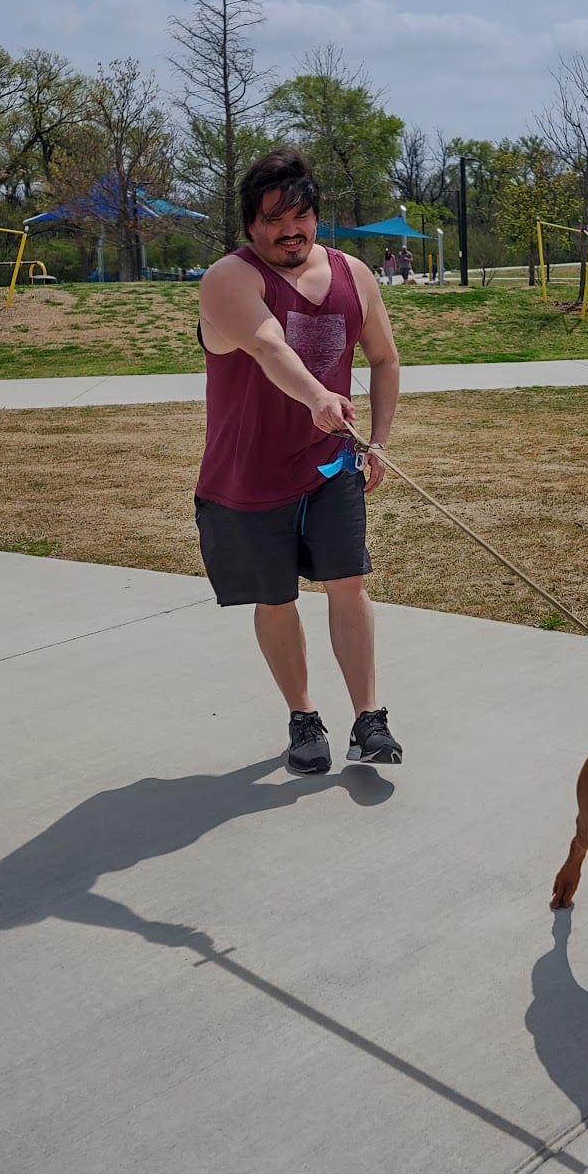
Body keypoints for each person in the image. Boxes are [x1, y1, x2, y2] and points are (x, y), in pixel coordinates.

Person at [195, 148, 403, 775]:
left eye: (302, 216)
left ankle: (368, 718)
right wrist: (317, 396)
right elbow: (265, 344)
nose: (291, 230)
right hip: (248, 475)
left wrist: (378, 440)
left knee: (349, 585)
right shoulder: (230, 279)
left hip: (329, 465)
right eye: (273, 220)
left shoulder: (352, 273)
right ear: (250, 226)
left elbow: (385, 359)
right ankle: (303, 716)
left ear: (316, 215)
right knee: (277, 597)